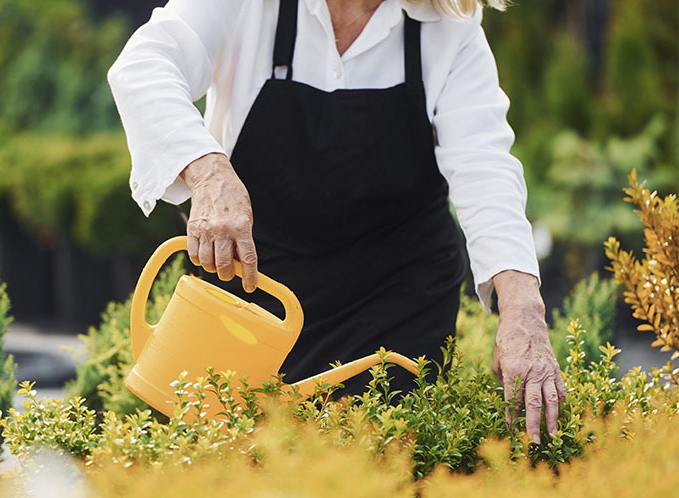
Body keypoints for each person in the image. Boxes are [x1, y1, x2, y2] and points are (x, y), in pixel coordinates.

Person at [108, 0, 565, 444]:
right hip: (255, 292)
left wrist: (523, 306)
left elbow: (484, 165)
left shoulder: (447, 22)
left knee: (385, 464)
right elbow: (145, 65)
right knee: (230, 464)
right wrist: (208, 171)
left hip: (397, 302)